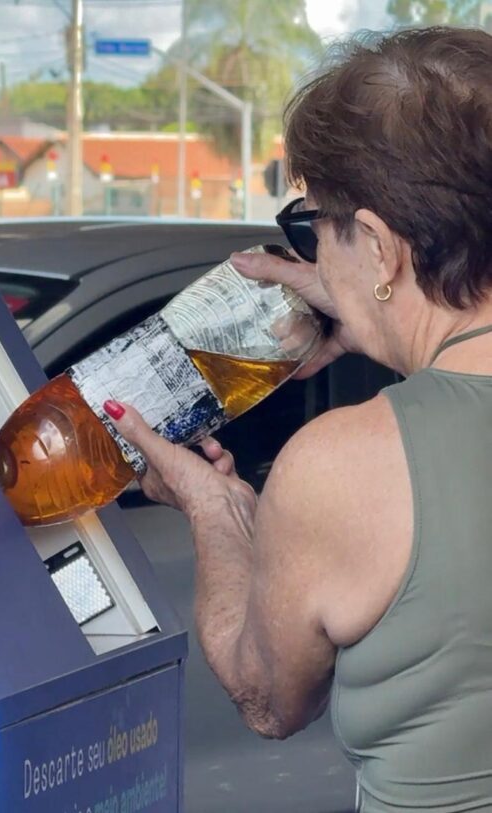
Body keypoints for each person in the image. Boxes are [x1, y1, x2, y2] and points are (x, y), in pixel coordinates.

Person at [102, 26, 492, 812]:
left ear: (379, 247)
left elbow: (270, 698)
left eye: (313, 227)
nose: (313, 261)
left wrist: (216, 513)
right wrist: (387, 333)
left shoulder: (347, 464)